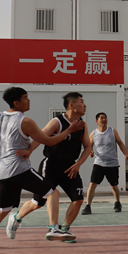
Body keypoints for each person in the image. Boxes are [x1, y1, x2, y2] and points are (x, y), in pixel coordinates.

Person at [0, 87, 85, 249]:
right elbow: (49, 141)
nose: (29, 101)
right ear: (16, 102)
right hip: (20, 169)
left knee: (2, 209)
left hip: (4, 172)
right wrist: (69, 130)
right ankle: (54, 229)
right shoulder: (26, 121)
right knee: (52, 193)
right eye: (26, 98)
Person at [31, 92, 91, 243]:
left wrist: (78, 164)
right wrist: (28, 151)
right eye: (81, 102)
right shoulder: (57, 122)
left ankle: (63, 229)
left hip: (70, 167)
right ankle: (17, 217)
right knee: (38, 203)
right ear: (72, 105)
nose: (85, 105)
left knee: (78, 200)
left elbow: (88, 147)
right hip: (51, 165)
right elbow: (39, 137)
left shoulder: (82, 125)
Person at [81, 112, 128, 215]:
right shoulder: (93, 134)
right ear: (97, 121)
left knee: (114, 186)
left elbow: (120, 143)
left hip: (112, 164)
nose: (104, 120)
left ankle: (117, 203)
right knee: (92, 185)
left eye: (105, 118)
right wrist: (90, 152)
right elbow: (89, 147)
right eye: (101, 118)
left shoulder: (112, 131)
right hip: (99, 164)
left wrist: (125, 154)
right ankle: (88, 206)